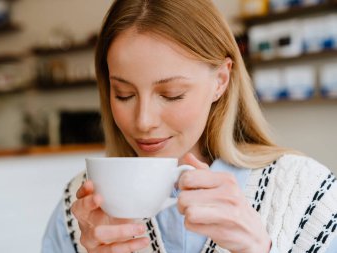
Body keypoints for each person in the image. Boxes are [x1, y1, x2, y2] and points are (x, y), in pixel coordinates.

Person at [42, 0, 337, 252]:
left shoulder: (306, 194)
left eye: (172, 95)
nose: (143, 121)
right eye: (125, 94)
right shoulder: (80, 208)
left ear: (220, 81)